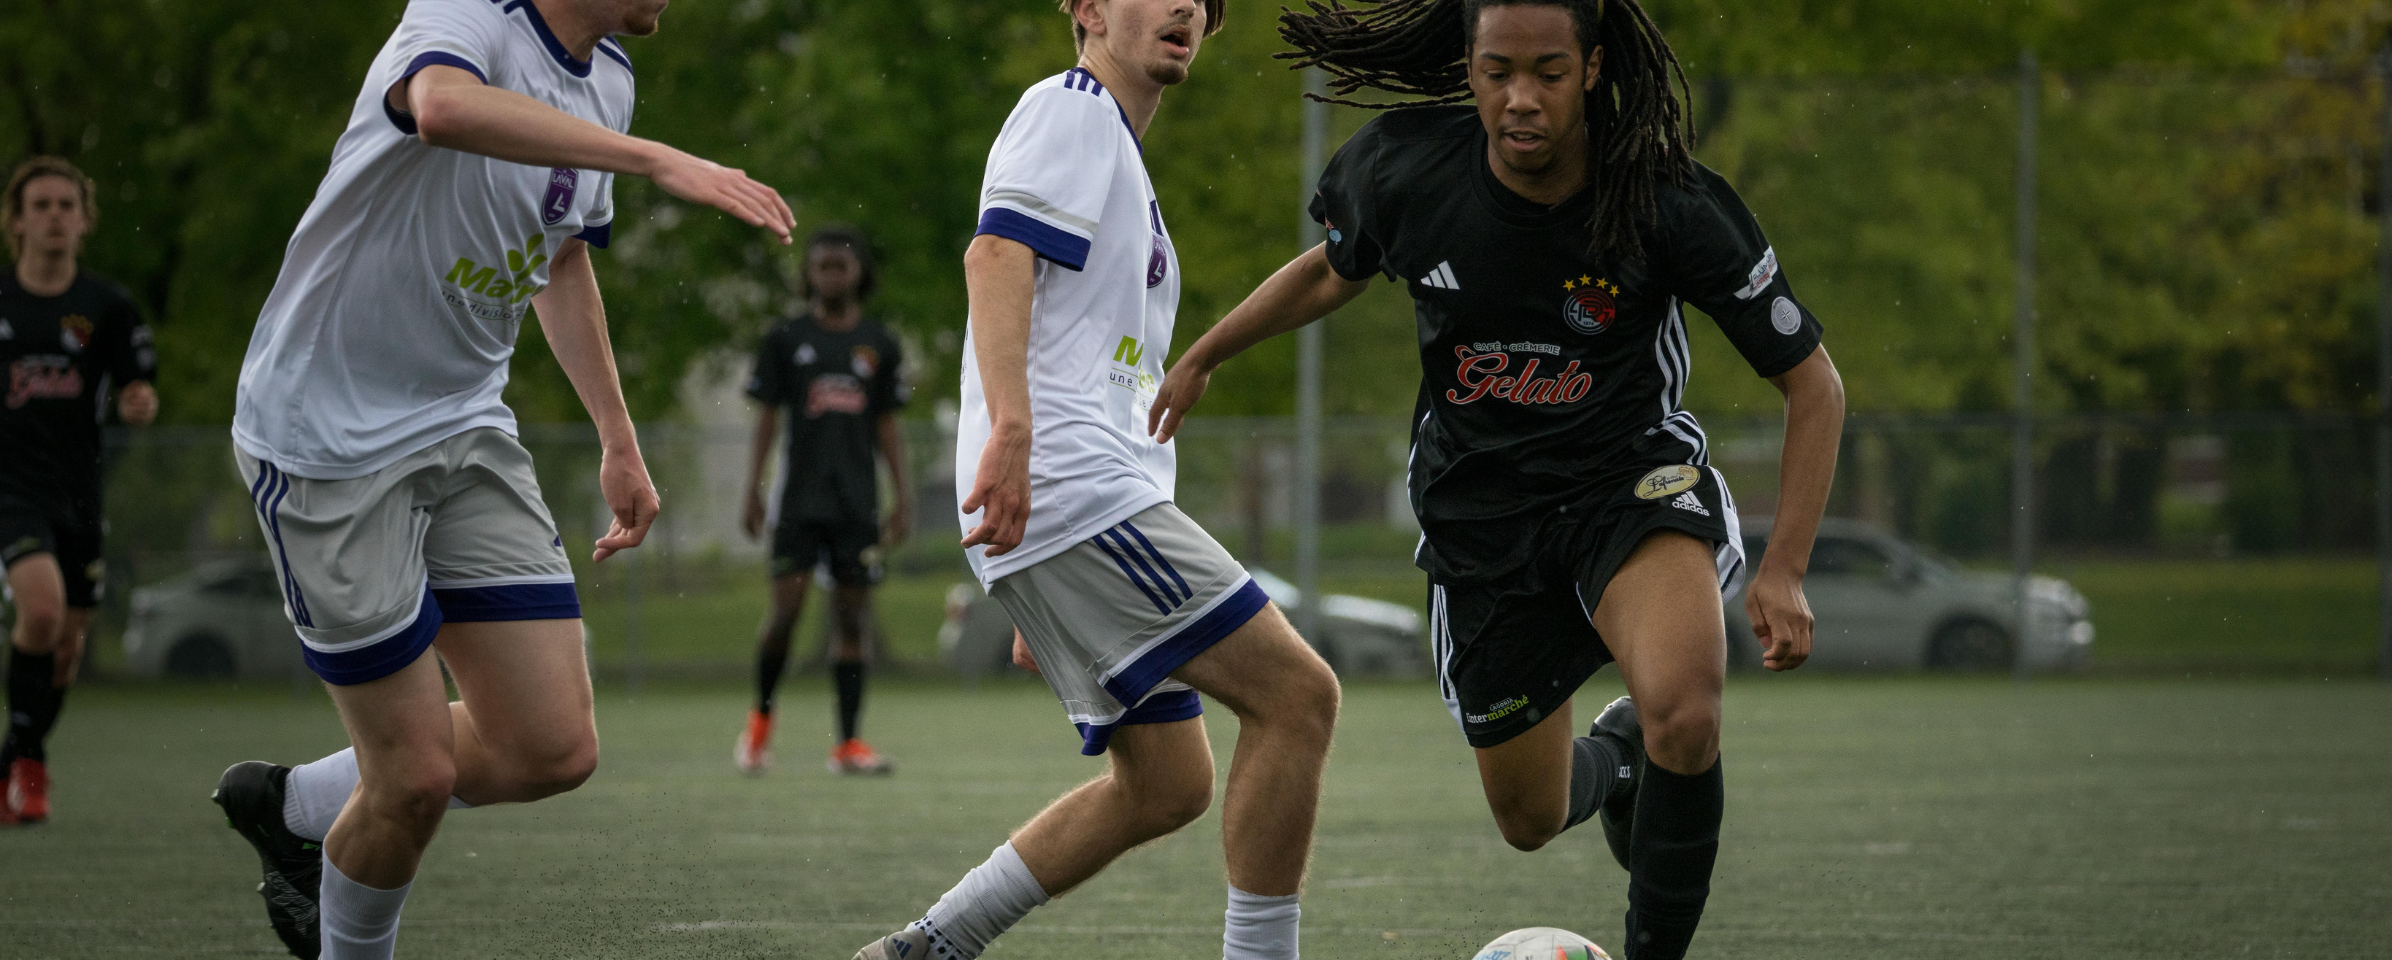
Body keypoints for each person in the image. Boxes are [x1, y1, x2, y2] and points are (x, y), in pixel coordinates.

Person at [1148, 1, 1846, 957]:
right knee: (1530, 816)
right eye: (1497, 72)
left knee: (1685, 713)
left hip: (1626, 485)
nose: (1522, 98)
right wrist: (1205, 354)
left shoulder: (1666, 199)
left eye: (1549, 73)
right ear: (1468, 68)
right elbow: (1333, 271)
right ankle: (1619, 763)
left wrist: (1786, 568)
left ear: (1591, 69)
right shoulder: (1404, 169)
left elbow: (1813, 384)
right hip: (1480, 518)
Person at [204, 0, 794, 956]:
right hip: (329, 441)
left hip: (464, 424)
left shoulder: (611, 78)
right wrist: (654, 161)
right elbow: (441, 106)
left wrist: (618, 435)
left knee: (551, 747)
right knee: (413, 782)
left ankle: (295, 804)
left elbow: (561, 260)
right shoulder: (469, 12)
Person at [852, 1, 1342, 958]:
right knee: (1298, 697)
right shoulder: (1071, 105)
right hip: (1070, 489)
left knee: (1168, 783)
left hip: (1077, 506)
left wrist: (1065, 598)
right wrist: (1014, 434)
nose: (1185, 7)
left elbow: (1086, 356)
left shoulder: (1117, 149)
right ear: (1085, 9)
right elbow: (995, 255)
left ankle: (928, 946)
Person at [0, 156, 160, 825]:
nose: (54, 216)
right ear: (16, 221)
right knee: (40, 613)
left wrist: (138, 401)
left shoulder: (107, 306)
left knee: (65, 652)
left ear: (85, 219)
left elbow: (136, 386)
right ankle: (29, 769)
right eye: (40, 205)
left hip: (80, 495)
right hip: (12, 490)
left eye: (67, 205)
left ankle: (13, 761)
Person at [736, 225, 911, 776]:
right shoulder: (787, 338)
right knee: (785, 614)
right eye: (822, 266)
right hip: (799, 503)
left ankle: (849, 744)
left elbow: (887, 425)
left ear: (858, 272)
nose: (832, 275)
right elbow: (767, 417)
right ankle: (759, 728)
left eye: (841, 265)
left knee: (852, 622)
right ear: (809, 274)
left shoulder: (880, 344)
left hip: (857, 503)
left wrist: (902, 496)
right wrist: (752, 489)